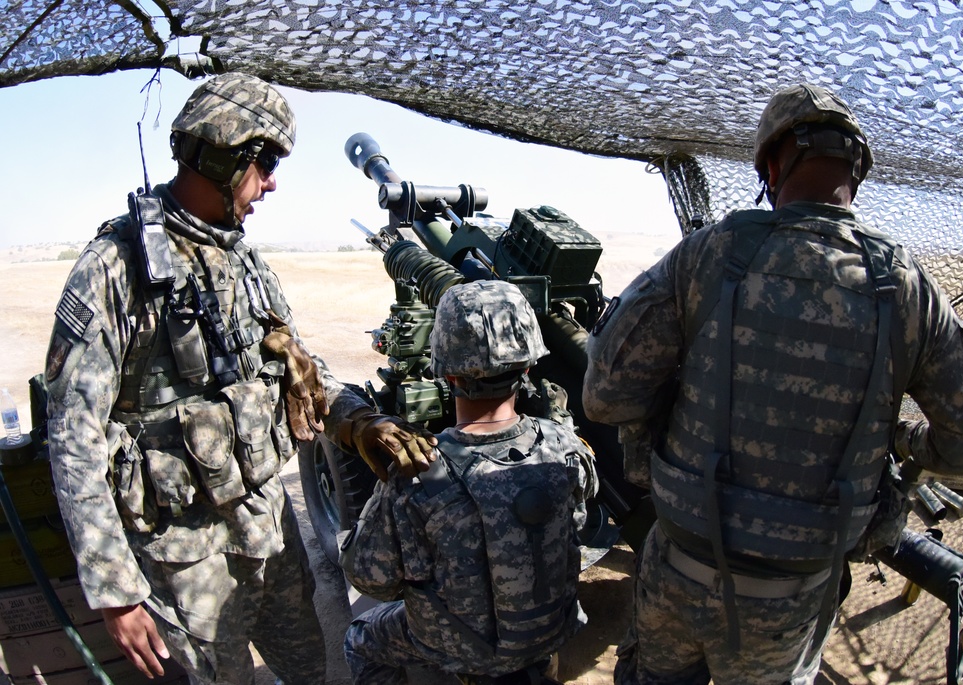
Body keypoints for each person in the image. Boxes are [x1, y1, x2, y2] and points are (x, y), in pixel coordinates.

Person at [583, 82, 963, 685]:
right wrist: (903, 443)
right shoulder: (906, 288)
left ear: (772, 164)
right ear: (856, 169)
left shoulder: (712, 252)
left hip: (680, 567)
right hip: (796, 596)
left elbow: (604, 396)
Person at [43, 72, 436, 684]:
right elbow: (74, 439)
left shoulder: (244, 262)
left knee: (307, 668)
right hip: (184, 557)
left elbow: (298, 367)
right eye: (265, 163)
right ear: (222, 155)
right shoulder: (113, 271)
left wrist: (359, 423)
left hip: (267, 530)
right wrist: (116, 589)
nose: (272, 183)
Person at [340, 280, 599, 685]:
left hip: (459, 648)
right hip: (549, 632)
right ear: (528, 366)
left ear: (446, 372)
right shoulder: (565, 445)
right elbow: (578, 525)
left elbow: (371, 579)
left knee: (359, 639)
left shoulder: (416, 470)